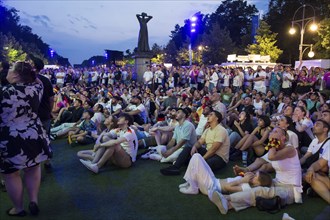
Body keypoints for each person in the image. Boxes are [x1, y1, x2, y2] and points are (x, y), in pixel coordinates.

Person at [210, 127, 302, 215]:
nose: (271, 134)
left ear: (283, 138)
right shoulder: (274, 149)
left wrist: (272, 141)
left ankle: (226, 199)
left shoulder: (290, 149)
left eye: (276, 132)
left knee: (261, 191)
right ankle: (225, 196)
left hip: (290, 190)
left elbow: (271, 157)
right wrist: (244, 171)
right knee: (253, 181)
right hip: (277, 182)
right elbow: (264, 162)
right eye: (272, 132)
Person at [0, 61, 52, 216]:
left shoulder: (3, 92)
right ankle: (34, 200)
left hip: (10, 138)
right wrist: (30, 71)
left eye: (10, 70)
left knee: (11, 174)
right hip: (34, 134)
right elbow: (37, 80)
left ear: (16, 75)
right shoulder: (36, 88)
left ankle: (18, 208)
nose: (7, 72)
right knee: (33, 168)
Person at [160, 110, 228, 175]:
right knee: (188, 148)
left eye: (211, 115)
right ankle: (175, 167)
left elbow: (214, 149)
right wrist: (194, 146)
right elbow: (199, 142)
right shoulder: (207, 130)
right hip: (208, 152)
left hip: (219, 157)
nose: (208, 116)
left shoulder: (221, 130)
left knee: (205, 164)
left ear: (216, 118)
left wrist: (202, 159)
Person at [179, 154, 272, 195]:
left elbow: (228, 187)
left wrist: (242, 180)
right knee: (199, 158)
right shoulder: (248, 180)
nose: (254, 175)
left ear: (258, 184)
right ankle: (191, 182)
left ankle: (193, 188)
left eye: (256, 176)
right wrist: (238, 171)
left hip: (211, 186)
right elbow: (238, 176)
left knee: (196, 157)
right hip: (214, 180)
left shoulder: (247, 187)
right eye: (255, 174)